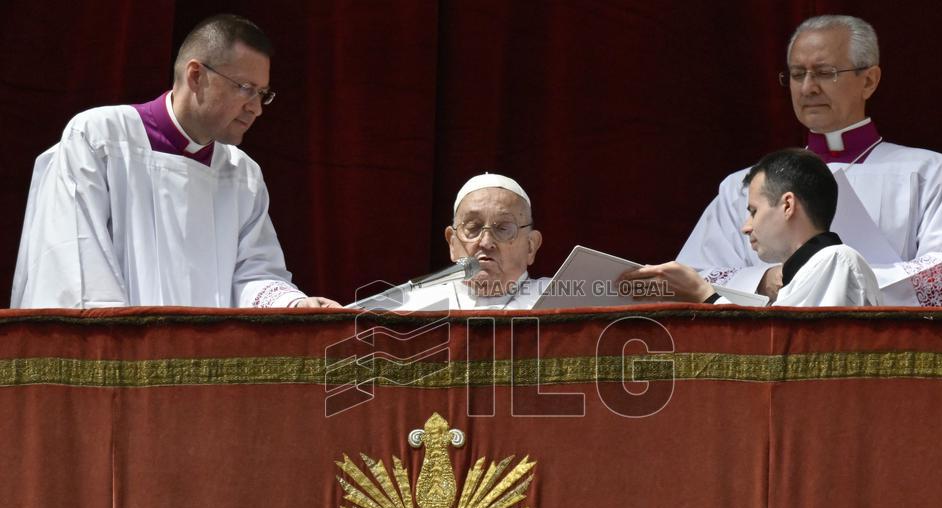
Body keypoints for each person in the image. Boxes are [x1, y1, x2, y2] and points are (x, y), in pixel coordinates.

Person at [11, 14, 336, 309]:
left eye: (263, 93)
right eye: (246, 88)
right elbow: (76, 269)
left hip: (210, 366)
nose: (257, 108)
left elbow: (254, 274)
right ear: (196, 76)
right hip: (123, 361)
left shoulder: (243, 175)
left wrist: (293, 305)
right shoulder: (100, 139)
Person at [672, 15, 942, 306]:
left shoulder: (930, 172)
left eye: (825, 73)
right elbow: (693, 275)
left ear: (869, 80)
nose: (808, 87)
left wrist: (833, 279)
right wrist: (764, 280)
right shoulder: (742, 185)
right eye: (797, 74)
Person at [622, 149, 882, 307]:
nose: (746, 227)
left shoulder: (836, 260)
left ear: (788, 205)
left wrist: (705, 295)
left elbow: (783, 356)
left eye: (753, 211)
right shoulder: (811, 271)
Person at [381, 173, 549, 311]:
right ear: (452, 243)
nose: (486, 242)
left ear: (531, 246)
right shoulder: (412, 307)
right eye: (473, 227)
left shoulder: (561, 299)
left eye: (503, 229)